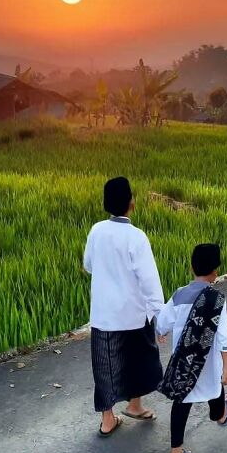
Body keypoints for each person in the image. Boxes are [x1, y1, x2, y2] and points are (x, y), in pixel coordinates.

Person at [83, 176, 164, 437]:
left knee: (105, 364)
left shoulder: (96, 230)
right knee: (139, 361)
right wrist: (160, 316)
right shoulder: (136, 237)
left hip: (104, 316)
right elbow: (150, 281)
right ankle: (135, 405)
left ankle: (108, 419)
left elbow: (88, 266)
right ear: (132, 203)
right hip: (134, 315)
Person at [156, 243, 227, 453]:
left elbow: (163, 321)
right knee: (214, 388)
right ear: (216, 271)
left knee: (181, 403)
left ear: (192, 267)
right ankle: (220, 415)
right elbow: (222, 336)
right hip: (208, 364)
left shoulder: (179, 295)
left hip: (184, 365)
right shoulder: (217, 299)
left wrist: (160, 332)